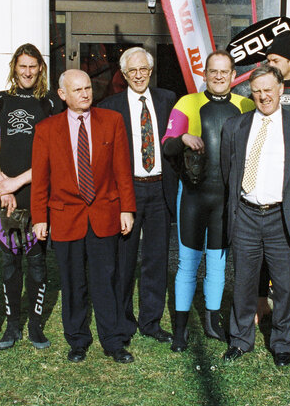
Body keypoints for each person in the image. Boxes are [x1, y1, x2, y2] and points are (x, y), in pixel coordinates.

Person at [31, 69, 137, 364]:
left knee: (107, 280)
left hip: (104, 213)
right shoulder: (46, 129)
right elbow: (40, 179)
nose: (85, 94)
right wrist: (40, 217)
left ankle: (113, 341)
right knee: (72, 282)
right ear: (62, 95)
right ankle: (77, 340)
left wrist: (126, 209)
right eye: (77, 90)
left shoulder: (111, 121)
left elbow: (122, 170)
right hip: (65, 218)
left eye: (88, 87)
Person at [220, 65, 290, 366]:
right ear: (251, 93)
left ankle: (282, 343)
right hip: (246, 215)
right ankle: (240, 340)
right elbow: (228, 171)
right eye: (257, 90)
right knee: (244, 282)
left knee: (286, 284)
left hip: (281, 215)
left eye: (268, 89)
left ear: (281, 90)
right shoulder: (235, 126)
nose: (264, 96)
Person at [162, 50, 256, 352]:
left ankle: (212, 322)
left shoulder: (246, 105)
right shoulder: (187, 103)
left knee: (217, 264)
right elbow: (166, 146)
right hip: (193, 197)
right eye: (212, 71)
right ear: (205, 74)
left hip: (226, 200)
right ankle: (180, 328)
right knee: (187, 263)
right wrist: (183, 139)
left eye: (224, 72)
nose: (218, 77)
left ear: (233, 75)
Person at [0, 44, 62, 350]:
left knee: (37, 261)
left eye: (33, 66)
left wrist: (17, 182)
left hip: (36, 190)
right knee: (10, 261)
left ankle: (36, 327)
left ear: (40, 67)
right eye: (22, 66)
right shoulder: (0, 101)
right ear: (15, 67)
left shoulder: (50, 102)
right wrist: (2, 183)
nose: (27, 72)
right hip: (4, 194)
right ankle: (12, 326)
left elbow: (54, 155)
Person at [99, 47, 177, 344]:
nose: (139, 75)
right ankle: (123, 321)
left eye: (143, 69)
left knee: (156, 259)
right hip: (127, 190)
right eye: (132, 71)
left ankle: (151, 322)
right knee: (124, 260)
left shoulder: (168, 100)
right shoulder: (110, 106)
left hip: (159, 188)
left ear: (151, 69)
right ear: (124, 74)